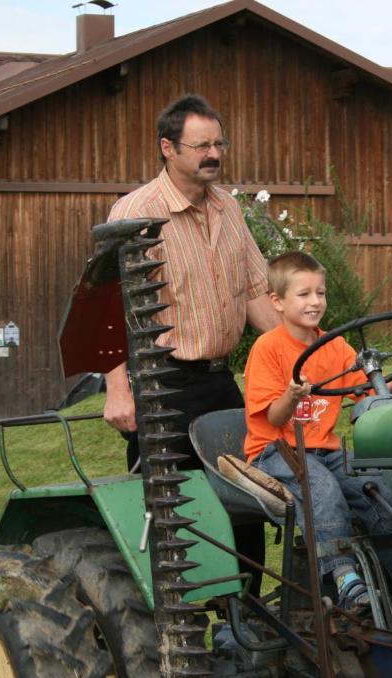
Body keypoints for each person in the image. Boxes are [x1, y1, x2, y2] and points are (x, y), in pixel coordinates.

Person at [243, 251, 392, 611]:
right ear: (277, 302)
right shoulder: (268, 348)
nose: (315, 302)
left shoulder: (335, 345)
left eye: (321, 293)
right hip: (275, 451)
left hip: (324, 450)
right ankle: (344, 577)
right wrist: (291, 395)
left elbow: (374, 392)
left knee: (374, 486)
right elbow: (274, 418)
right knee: (324, 490)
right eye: (304, 294)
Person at [102, 94, 280, 471]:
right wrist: (118, 390)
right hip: (164, 386)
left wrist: (306, 354)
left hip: (222, 382)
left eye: (219, 144)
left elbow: (254, 293)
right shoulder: (136, 213)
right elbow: (107, 307)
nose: (213, 154)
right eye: (201, 146)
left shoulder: (228, 208)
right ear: (168, 147)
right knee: (179, 515)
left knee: (244, 506)